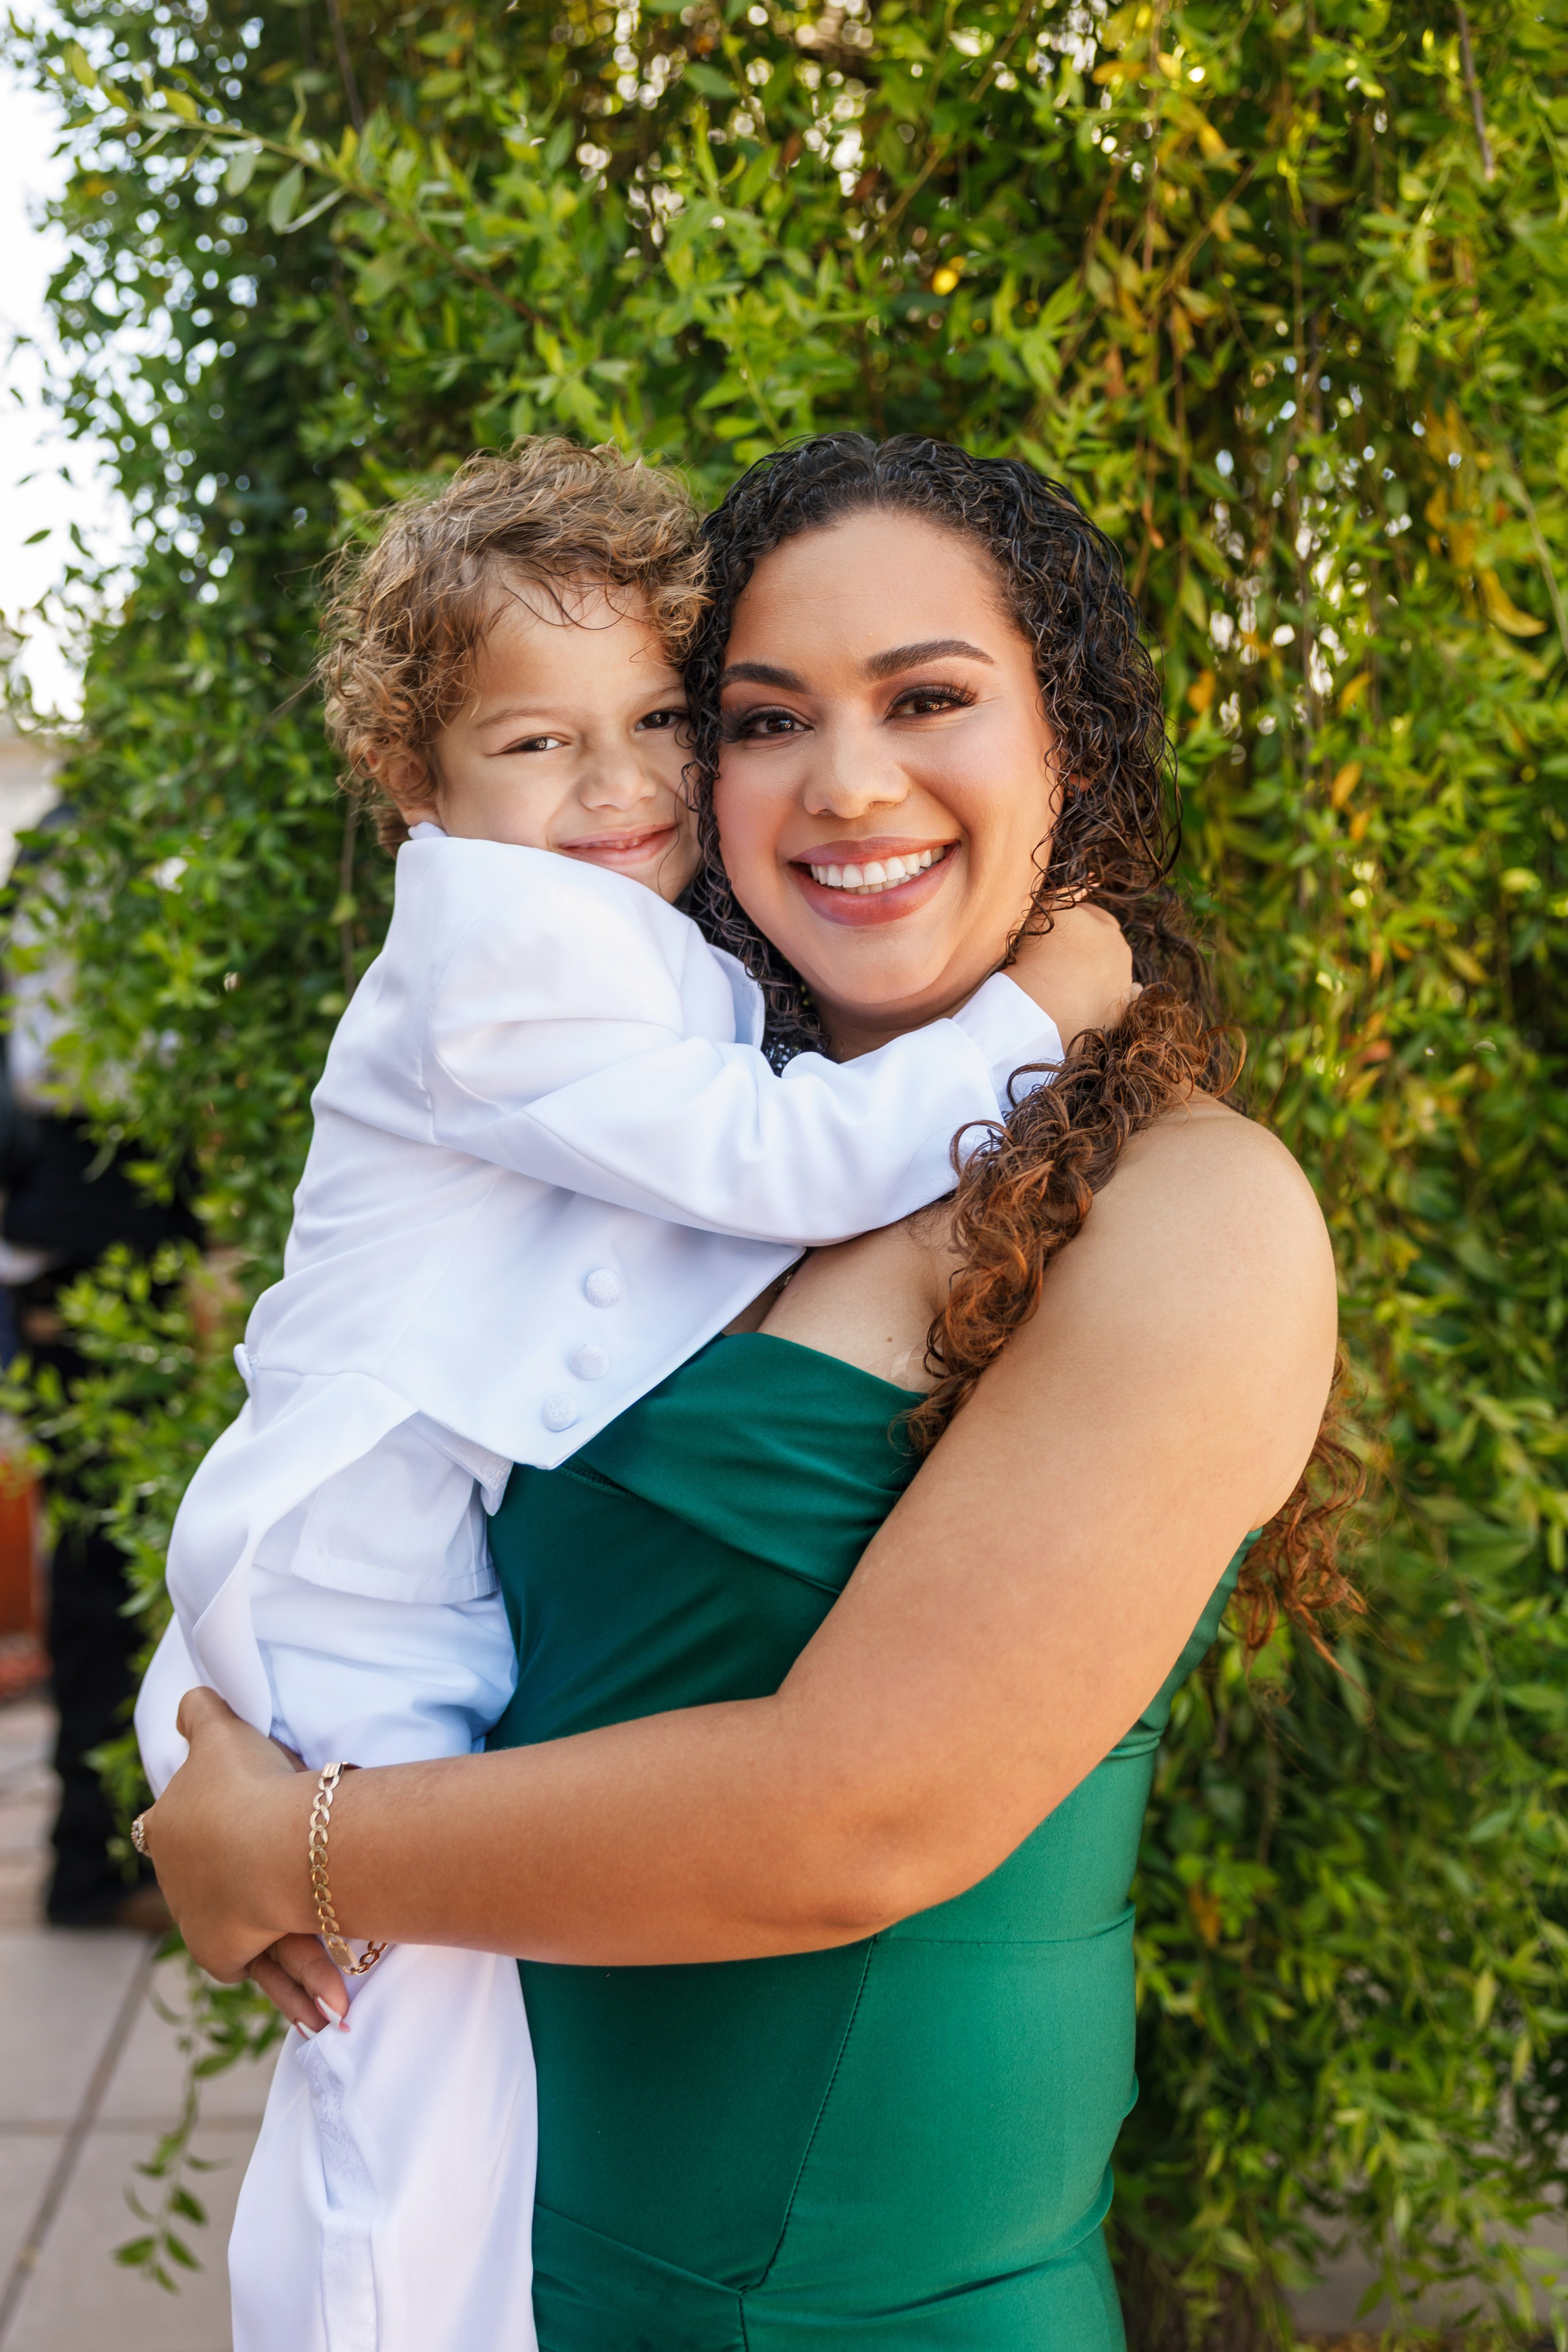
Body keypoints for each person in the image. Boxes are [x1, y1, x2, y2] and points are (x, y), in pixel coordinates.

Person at [143, 434, 1352, 2351]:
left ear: (1072, 746)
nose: (846, 779)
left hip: (860, 2307)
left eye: (928, 699)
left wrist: (287, 1847)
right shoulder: (657, 1160)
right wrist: (220, 1717)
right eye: (768, 718)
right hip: (522, 2259)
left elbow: (853, 1817)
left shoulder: (1191, 1213)